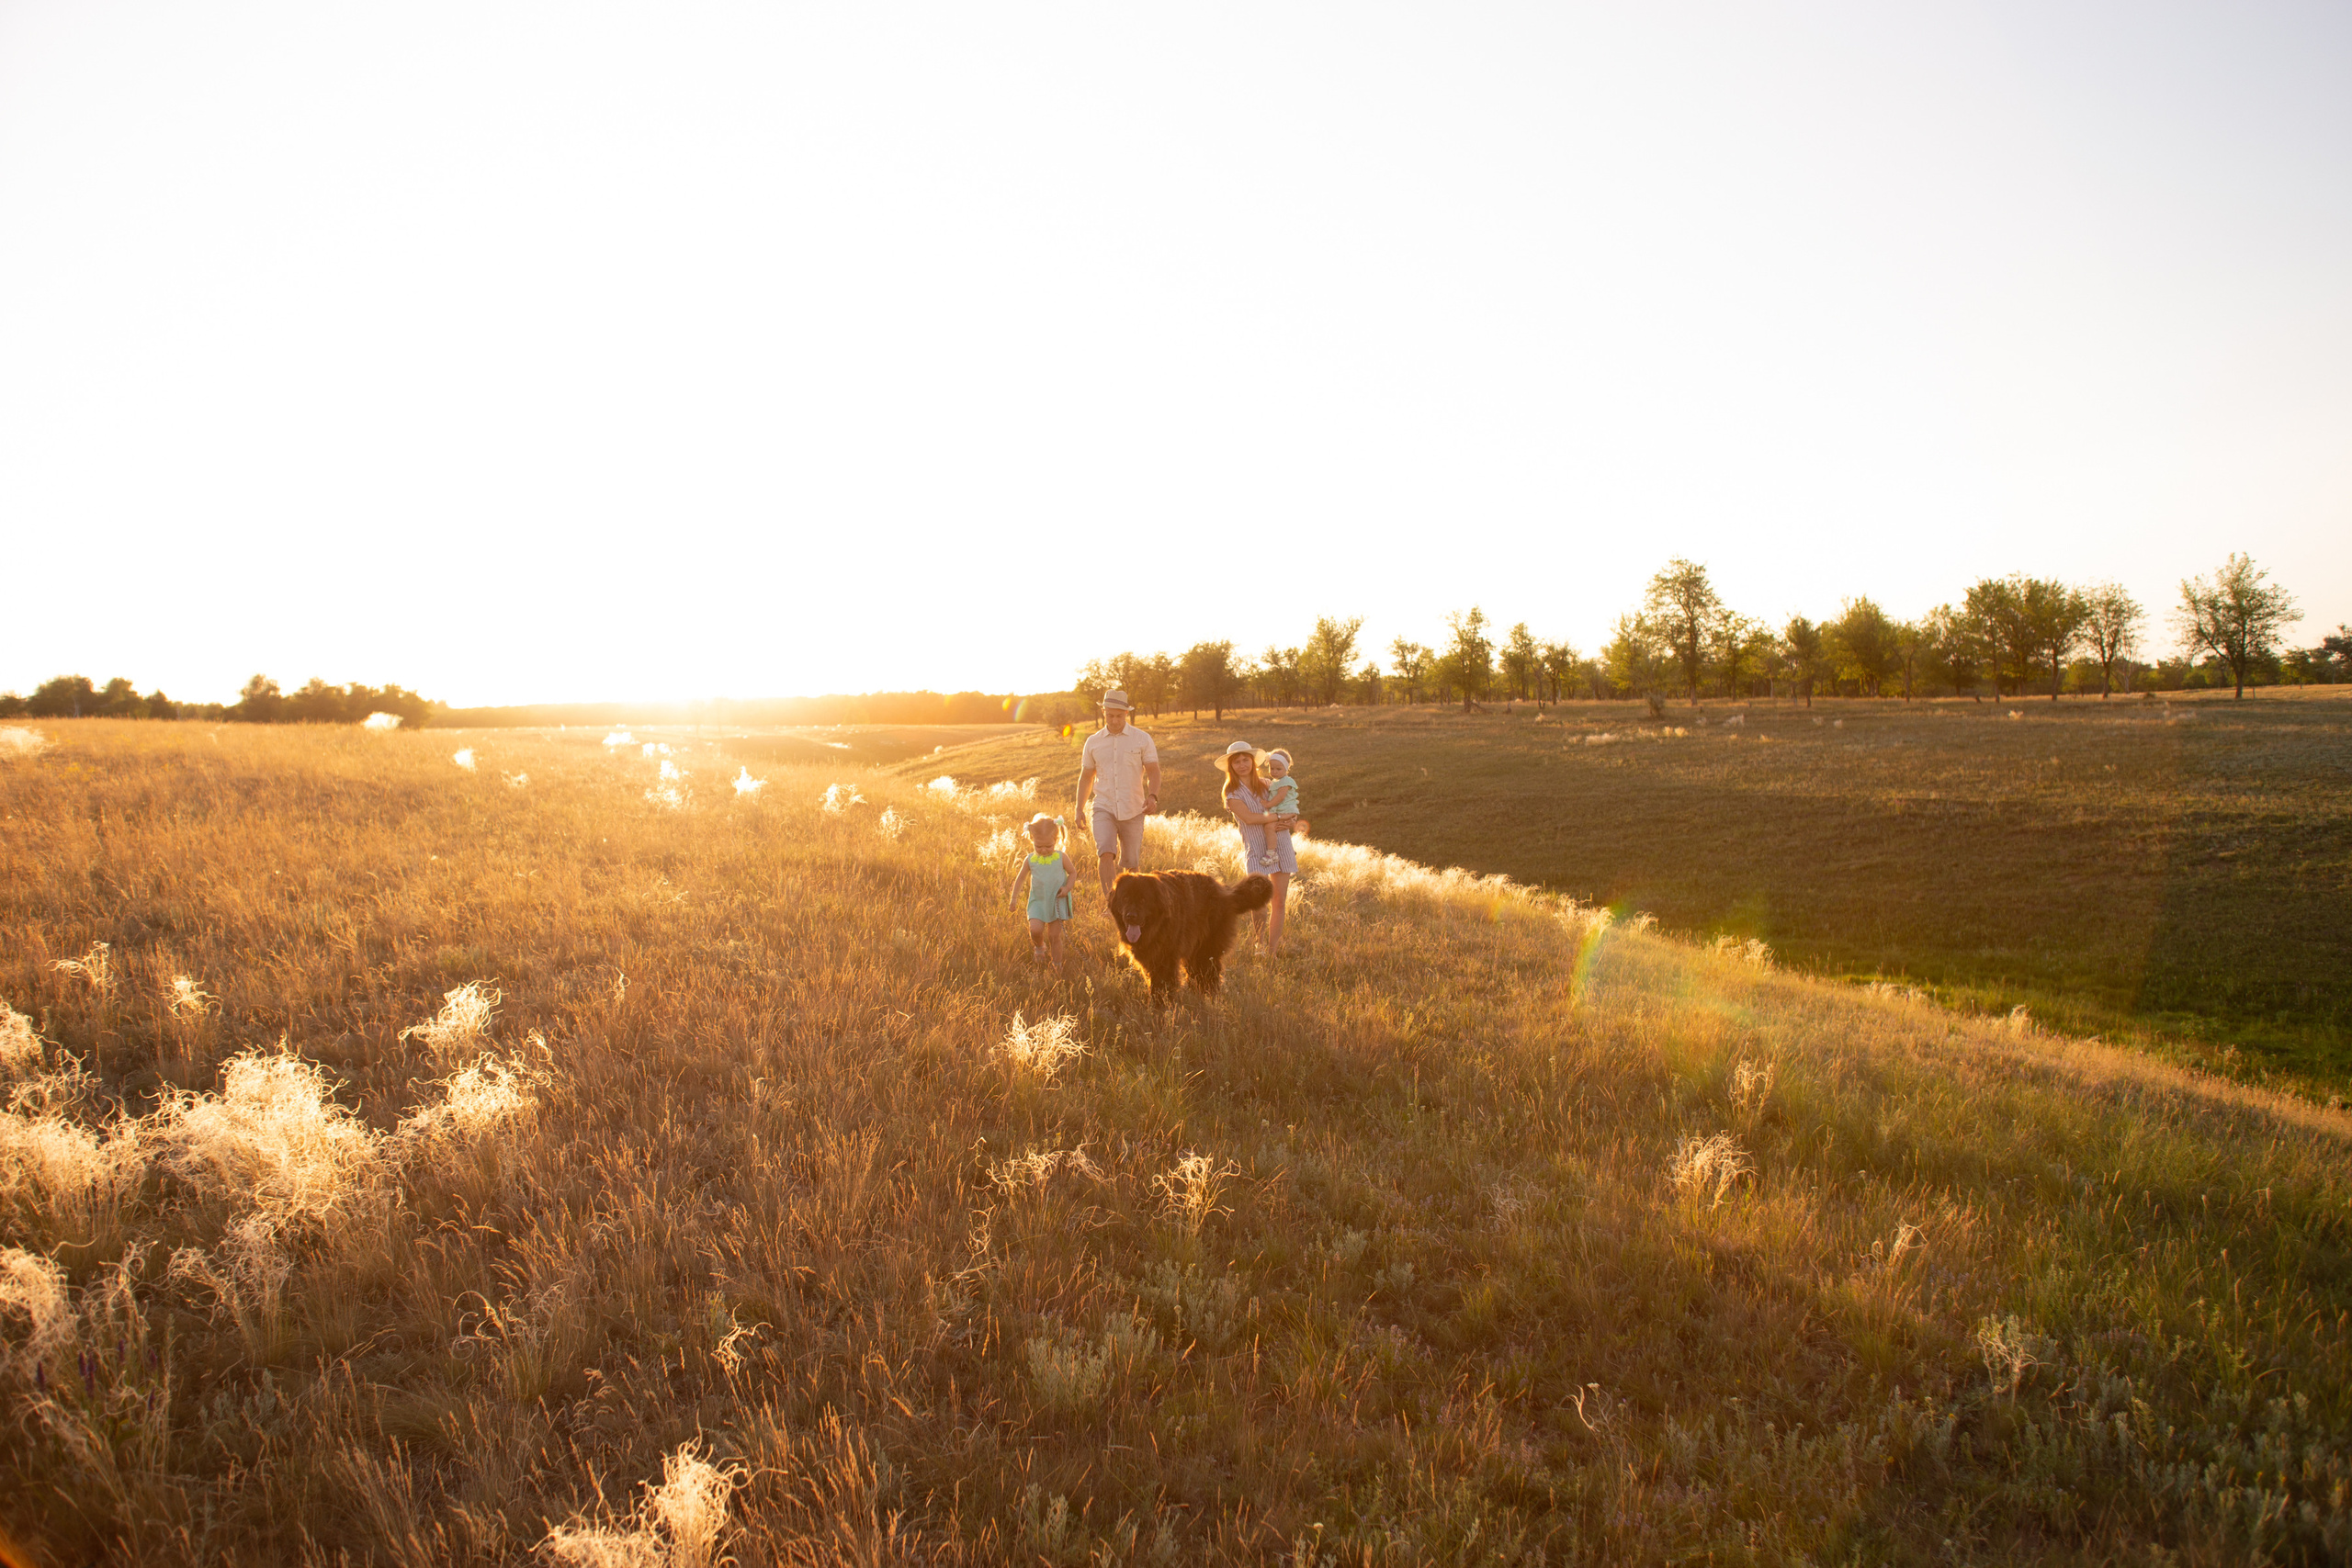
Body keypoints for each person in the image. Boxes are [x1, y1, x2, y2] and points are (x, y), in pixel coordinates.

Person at [1073, 689, 1160, 904]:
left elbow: (1153, 771)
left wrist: (1153, 796)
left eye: (1119, 716)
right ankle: (1111, 904)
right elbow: (1086, 777)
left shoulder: (1142, 739)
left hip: (1134, 808)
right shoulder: (1093, 742)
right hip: (1103, 806)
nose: (1114, 720)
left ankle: (1131, 906)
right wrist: (1079, 808)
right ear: (1103, 712)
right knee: (1105, 852)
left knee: (1131, 864)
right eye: (1110, 715)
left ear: (1126, 713)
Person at [1214, 740, 1295, 956]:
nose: (1242, 765)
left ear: (1252, 762)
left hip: (1281, 844)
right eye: (1237, 762)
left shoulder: (1268, 784)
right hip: (1257, 849)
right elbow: (1249, 818)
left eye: (1245, 760)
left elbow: (1289, 806)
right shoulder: (1232, 794)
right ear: (1231, 766)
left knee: (1279, 901)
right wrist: (1280, 817)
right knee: (1259, 902)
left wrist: (1291, 820)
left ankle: (1272, 950)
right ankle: (1260, 945)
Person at [1005, 814, 1077, 973]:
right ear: (1032, 840)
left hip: (1057, 901)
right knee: (1035, 930)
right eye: (1039, 846)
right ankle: (1039, 946)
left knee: (1054, 936)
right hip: (1038, 901)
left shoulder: (1061, 857)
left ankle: (1057, 965)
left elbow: (1073, 873)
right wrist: (1014, 898)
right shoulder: (1030, 860)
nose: (1044, 850)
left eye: (1048, 846)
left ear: (1056, 840)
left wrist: (1067, 888)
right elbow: (1020, 878)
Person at [1256, 749, 1309, 868]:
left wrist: (1268, 804)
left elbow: (1280, 797)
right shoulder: (1276, 781)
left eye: (1278, 769)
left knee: (1270, 827)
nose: (1274, 772)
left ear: (1286, 768)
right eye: (1272, 768)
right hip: (1282, 810)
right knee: (1277, 828)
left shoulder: (1286, 781)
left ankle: (1271, 853)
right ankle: (1288, 849)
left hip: (1285, 809)